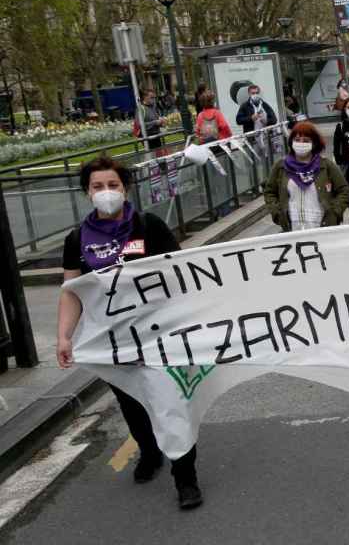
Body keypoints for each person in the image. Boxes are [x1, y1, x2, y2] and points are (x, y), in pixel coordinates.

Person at [57, 154, 203, 509]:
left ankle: (185, 478)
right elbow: (71, 293)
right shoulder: (77, 240)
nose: (106, 192)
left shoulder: (149, 226)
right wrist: (64, 336)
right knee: (132, 402)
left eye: (113, 185)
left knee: (169, 404)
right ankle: (150, 452)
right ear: (86, 193)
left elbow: (180, 274)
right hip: (113, 340)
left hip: (158, 336)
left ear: (125, 189)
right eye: (97, 187)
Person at [263, 121, 349, 232]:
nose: (301, 143)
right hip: (292, 229)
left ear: (314, 143)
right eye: (297, 140)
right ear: (291, 142)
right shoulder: (280, 166)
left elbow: (344, 190)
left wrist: (335, 213)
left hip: (322, 228)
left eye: (306, 140)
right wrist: (277, 214)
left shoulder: (326, 165)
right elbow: (269, 192)